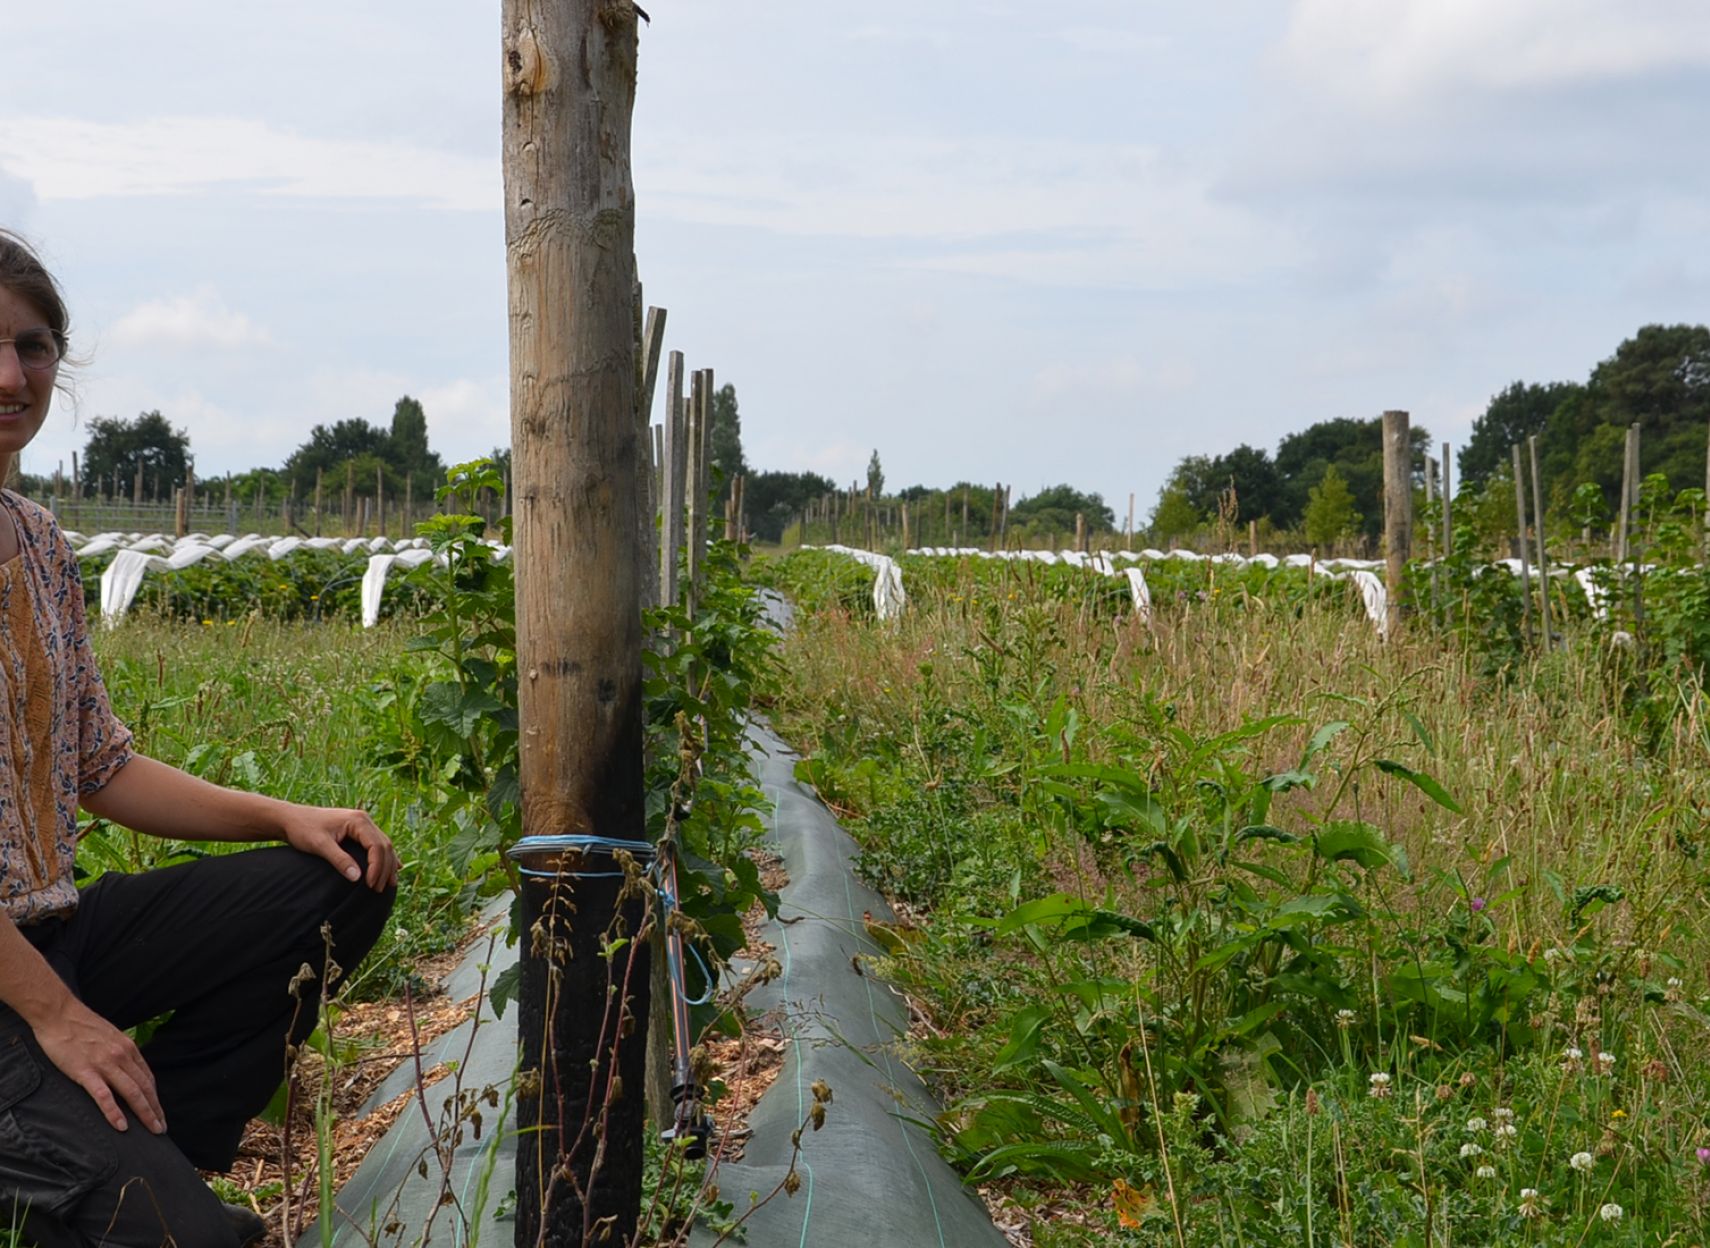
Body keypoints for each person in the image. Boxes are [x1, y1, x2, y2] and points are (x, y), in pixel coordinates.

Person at [0, 229, 401, 1248]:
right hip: (18, 987)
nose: (11, 376)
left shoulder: (38, 543)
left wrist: (283, 814)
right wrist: (53, 1016)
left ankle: (136, 1155)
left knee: (339, 883)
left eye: (33, 345)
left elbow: (102, 768)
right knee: (191, 1241)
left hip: (51, 933)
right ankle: (107, 1180)